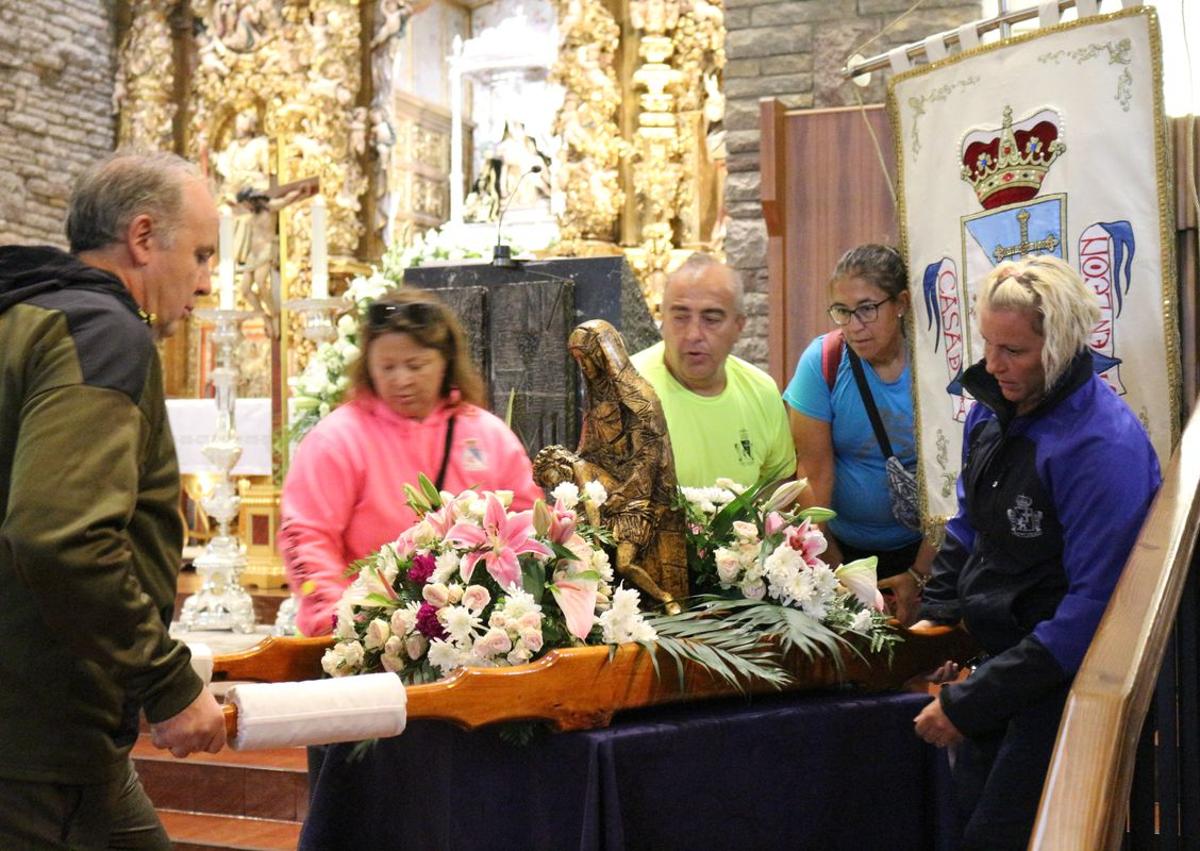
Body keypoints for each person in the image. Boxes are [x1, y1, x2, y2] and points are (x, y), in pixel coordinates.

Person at [0, 151, 227, 848]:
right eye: (200, 255)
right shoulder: (103, 332)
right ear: (141, 237)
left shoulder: (21, 314)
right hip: (38, 737)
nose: (206, 283)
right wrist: (165, 680)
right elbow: (61, 535)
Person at [910, 255, 1161, 850]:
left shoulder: (1102, 446)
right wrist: (937, 621)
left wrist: (971, 703)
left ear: (1062, 345)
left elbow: (1092, 612)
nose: (993, 366)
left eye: (1014, 352)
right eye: (989, 345)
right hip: (1000, 663)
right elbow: (970, 526)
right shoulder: (992, 409)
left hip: (1066, 687)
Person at [281, 289, 543, 637]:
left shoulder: (487, 435)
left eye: (416, 365)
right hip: (367, 636)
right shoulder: (337, 439)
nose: (401, 379)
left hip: (477, 634)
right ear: (368, 367)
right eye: (387, 367)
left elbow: (530, 529)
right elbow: (305, 536)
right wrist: (335, 622)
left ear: (445, 361)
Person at [783, 244, 933, 619]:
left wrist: (920, 573)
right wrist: (839, 576)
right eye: (842, 312)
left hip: (928, 547)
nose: (853, 325)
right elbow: (814, 476)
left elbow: (954, 482)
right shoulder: (823, 363)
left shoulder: (936, 361)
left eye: (866, 309)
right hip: (845, 547)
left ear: (900, 303)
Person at [533, 320, 688, 609]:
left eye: (586, 359)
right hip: (611, 488)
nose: (583, 368)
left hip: (642, 491)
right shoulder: (596, 397)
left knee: (620, 555)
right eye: (577, 361)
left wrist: (622, 494)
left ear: (602, 354)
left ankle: (653, 600)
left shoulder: (639, 398)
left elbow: (650, 455)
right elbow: (590, 448)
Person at [631, 253, 795, 489]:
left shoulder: (762, 392)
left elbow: (778, 492)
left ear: (739, 326)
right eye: (680, 317)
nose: (693, 334)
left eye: (711, 319)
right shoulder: (627, 386)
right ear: (662, 319)